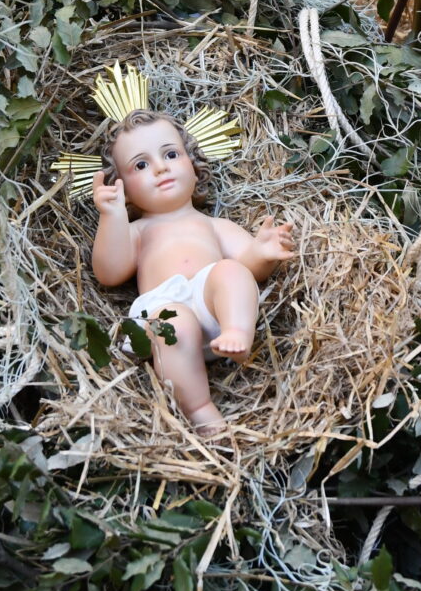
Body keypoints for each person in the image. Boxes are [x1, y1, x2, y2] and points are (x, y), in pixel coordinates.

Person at [91, 108, 293, 437]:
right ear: (122, 186)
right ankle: (200, 411)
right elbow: (109, 272)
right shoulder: (137, 231)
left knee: (229, 271)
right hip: (167, 311)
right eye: (141, 165)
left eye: (171, 154)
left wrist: (261, 252)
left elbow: (247, 267)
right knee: (172, 324)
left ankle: (237, 333)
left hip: (213, 307)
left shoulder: (213, 225)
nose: (160, 168)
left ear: (194, 165)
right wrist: (111, 216)